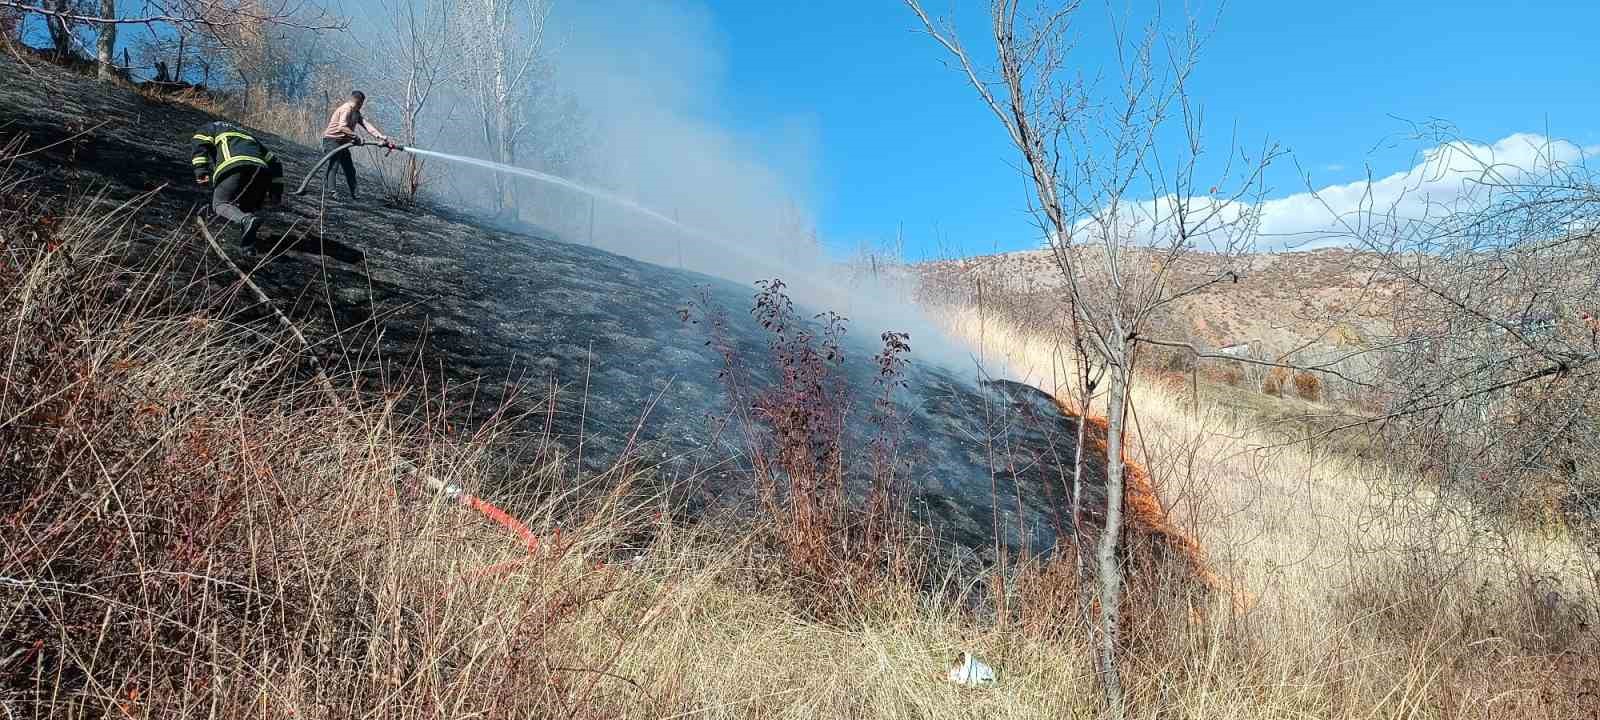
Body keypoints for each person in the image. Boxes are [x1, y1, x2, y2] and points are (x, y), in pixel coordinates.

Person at [191, 121, 284, 253]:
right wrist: (276, 192)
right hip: (261, 172)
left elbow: (199, 145)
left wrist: (201, 171)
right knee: (247, 208)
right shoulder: (248, 135)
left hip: (234, 167)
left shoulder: (210, 127)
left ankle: (245, 220)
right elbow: (275, 162)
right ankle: (248, 247)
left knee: (220, 203)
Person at [320, 90, 395, 200]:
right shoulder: (347, 109)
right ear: (358, 102)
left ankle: (355, 194)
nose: (362, 106)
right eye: (361, 103)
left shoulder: (356, 112)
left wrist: (380, 136)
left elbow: (366, 125)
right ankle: (332, 192)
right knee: (334, 165)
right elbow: (342, 127)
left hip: (343, 143)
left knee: (350, 168)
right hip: (331, 140)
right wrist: (356, 137)